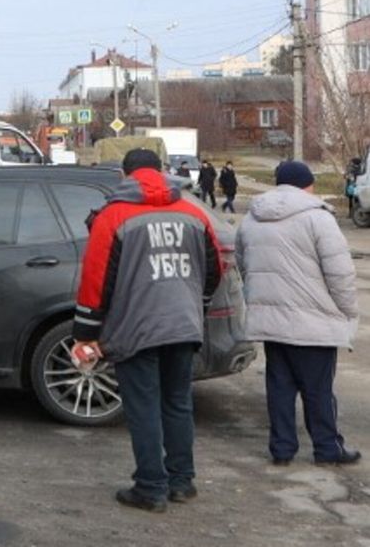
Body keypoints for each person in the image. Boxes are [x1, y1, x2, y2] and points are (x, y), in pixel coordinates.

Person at [72, 148, 222, 511]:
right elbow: (214, 269)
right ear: (162, 172)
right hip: (183, 325)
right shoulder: (192, 213)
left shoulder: (114, 216)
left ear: (125, 175)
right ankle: (182, 481)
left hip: (136, 328)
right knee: (177, 403)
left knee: (143, 409)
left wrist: (86, 332)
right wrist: (193, 303)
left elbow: (96, 280)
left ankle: (151, 487)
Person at [237, 161, 360, 466]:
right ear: (307, 185)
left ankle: (281, 449)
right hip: (313, 323)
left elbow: (244, 265)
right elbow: (340, 273)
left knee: (279, 387)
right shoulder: (317, 218)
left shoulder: (251, 218)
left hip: (270, 322)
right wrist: (347, 311)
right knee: (318, 390)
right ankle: (327, 448)